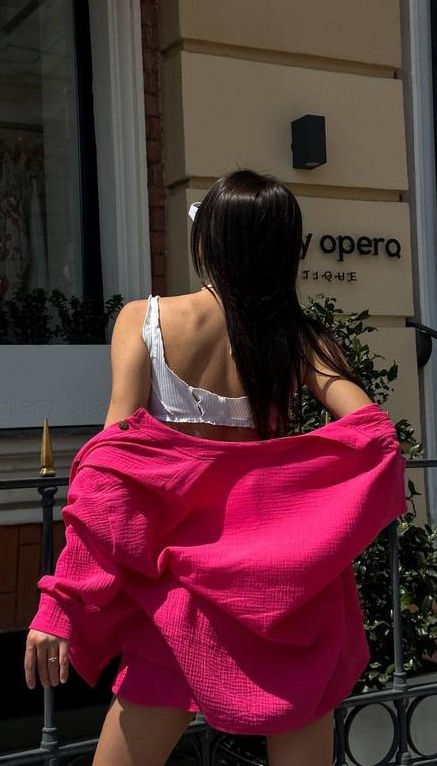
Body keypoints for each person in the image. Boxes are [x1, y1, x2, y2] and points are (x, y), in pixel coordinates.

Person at [24, 169, 406, 766]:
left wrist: (63, 602)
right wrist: (290, 487)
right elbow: (375, 439)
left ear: (207, 240)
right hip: (287, 593)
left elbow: (108, 475)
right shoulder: (301, 340)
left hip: (179, 588)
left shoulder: (144, 320)